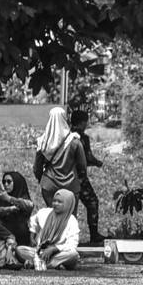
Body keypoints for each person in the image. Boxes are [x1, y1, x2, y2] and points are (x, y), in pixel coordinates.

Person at [16, 189, 81, 271]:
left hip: (58, 253)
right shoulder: (44, 213)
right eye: (54, 201)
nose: (55, 204)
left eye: (59, 202)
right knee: (20, 250)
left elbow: (72, 245)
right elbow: (33, 222)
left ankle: (37, 263)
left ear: (68, 204)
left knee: (73, 255)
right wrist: (32, 236)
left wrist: (53, 249)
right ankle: (49, 264)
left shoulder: (71, 221)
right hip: (40, 251)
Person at [68, 111, 107, 245]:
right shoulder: (82, 138)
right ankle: (94, 235)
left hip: (64, 177)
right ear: (82, 122)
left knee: (69, 208)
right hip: (80, 179)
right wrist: (98, 163)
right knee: (92, 202)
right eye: (86, 121)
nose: (87, 124)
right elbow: (87, 158)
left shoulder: (65, 136)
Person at [32, 107, 85, 205]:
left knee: (53, 214)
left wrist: (42, 180)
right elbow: (82, 166)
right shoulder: (75, 142)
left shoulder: (43, 142)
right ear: (65, 119)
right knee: (70, 214)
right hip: (71, 187)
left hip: (49, 186)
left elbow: (36, 168)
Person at [0, 170, 35, 246]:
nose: (6, 184)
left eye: (9, 182)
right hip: (3, 231)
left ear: (17, 183)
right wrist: (8, 209)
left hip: (20, 235)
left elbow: (29, 206)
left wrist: (9, 198)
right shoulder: (0, 196)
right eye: (4, 182)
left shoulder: (22, 196)